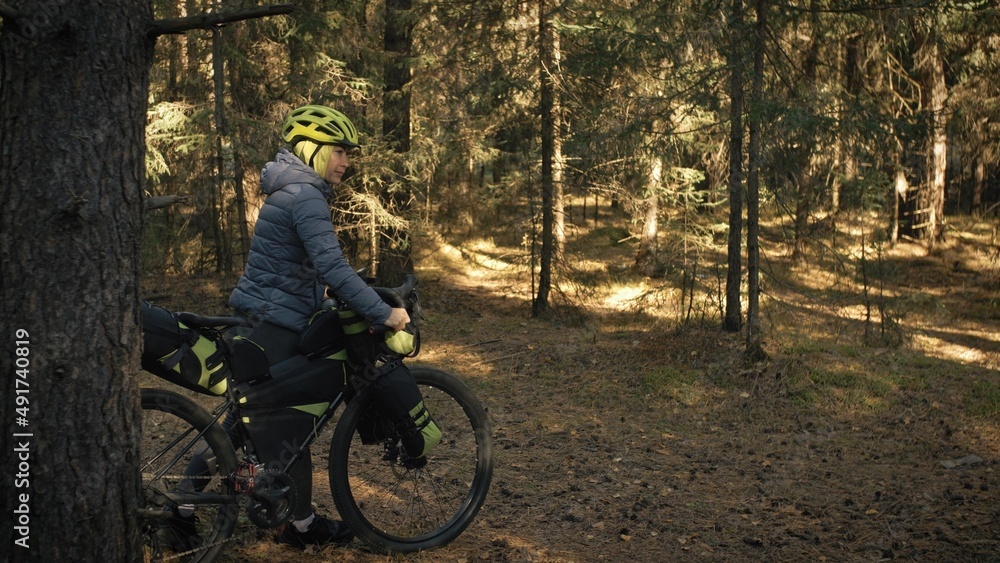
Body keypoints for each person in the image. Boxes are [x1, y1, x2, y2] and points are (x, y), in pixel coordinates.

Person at [166, 104, 409, 552]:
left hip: (261, 321)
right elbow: (331, 266)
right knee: (291, 425)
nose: (346, 162)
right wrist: (383, 312)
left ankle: (184, 511)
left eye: (348, 154)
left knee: (246, 427)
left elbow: (306, 267)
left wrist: (337, 289)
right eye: (339, 151)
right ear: (312, 149)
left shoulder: (290, 190)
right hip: (274, 327)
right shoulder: (306, 195)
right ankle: (299, 526)